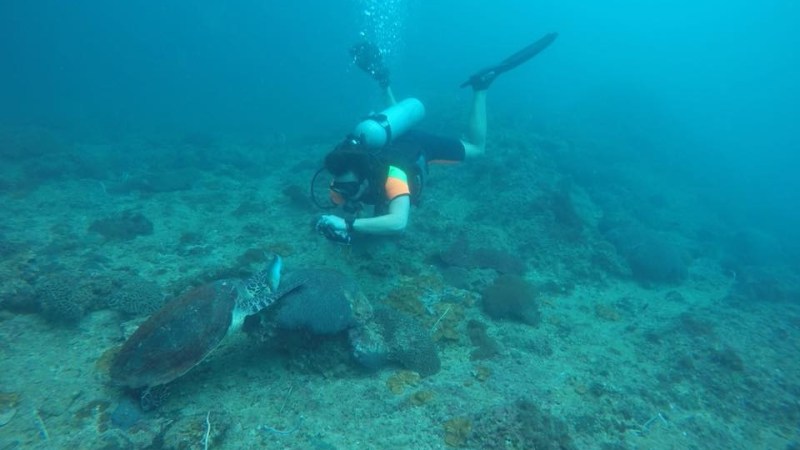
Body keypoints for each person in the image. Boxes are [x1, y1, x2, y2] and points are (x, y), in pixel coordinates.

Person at [315, 33, 558, 243]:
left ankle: (481, 88)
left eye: (346, 191)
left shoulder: (393, 175)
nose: (341, 195)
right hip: (389, 136)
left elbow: (398, 223)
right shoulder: (345, 167)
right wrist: (346, 209)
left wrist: (348, 225)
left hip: (418, 146)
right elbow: (345, 197)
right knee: (398, 130)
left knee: (476, 148)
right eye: (341, 190)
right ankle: (384, 82)